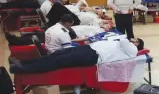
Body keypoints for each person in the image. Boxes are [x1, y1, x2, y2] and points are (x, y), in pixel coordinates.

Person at [9, 38, 144, 74]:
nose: (133, 39)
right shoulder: (124, 45)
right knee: (57, 54)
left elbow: (123, 40)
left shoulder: (132, 49)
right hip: (90, 49)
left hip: (93, 56)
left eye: (135, 39)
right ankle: (23, 62)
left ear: (137, 43)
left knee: (58, 61)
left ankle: (21, 68)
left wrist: (127, 38)